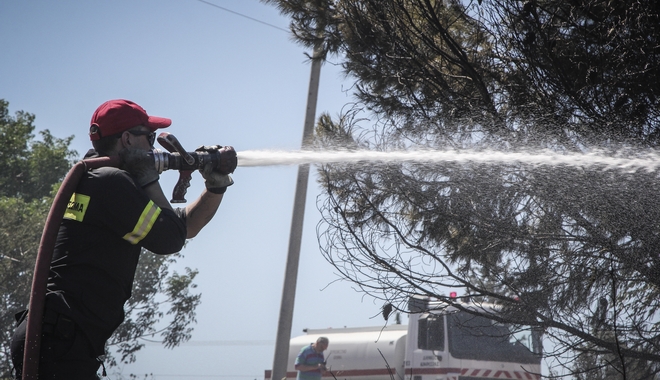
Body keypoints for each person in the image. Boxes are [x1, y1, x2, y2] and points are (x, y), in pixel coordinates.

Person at [10, 99, 237, 380]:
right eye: (150, 138)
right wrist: (148, 179)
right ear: (127, 139)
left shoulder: (95, 176)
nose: (154, 148)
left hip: (53, 337)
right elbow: (169, 240)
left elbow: (182, 228)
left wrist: (216, 187)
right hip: (61, 341)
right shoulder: (109, 181)